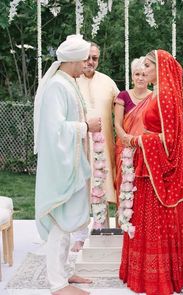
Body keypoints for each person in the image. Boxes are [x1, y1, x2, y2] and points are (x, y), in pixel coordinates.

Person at [119, 49, 183, 295]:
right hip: (150, 165)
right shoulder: (162, 94)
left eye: (148, 67)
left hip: (158, 166)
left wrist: (135, 141)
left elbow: (171, 139)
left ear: (160, 69)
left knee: (157, 218)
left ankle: (160, 276)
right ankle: (150, 271)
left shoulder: (164, 96)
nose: (145, 71)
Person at [34, 34, 101, 295]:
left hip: (72, 162)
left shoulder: (68, 82)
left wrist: (84, 124)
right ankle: (57, 284)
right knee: (60, 222)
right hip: (60, 166)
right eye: (83, 59)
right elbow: (54, 130)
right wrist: (86, 126)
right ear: (72, 60)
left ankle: (64, 273)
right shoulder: (57, 87)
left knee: (70, 222)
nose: (86, 64)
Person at [71, 42, 119, 252]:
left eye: (95, 58)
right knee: (79, 190)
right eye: (88, 57)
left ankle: (103, 230)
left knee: (104, 188)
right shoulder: (70, 81)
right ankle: (79, 236)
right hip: (78, 146)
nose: (91, 62)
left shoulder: (108, 83)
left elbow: (123, 109)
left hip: (105, 146)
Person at [114, 56, 152, 204]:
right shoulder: (123, 96)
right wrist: (127, 141)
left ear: (149, 78)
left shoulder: (154, 97)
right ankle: (123, 225)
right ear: (132, 76)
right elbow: (117, 123)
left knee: (143, 192)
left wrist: (142, 142)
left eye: (144, 74)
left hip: (146, 149)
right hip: (125, 149)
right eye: (137, 74)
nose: (140, 78)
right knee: (124, 188)